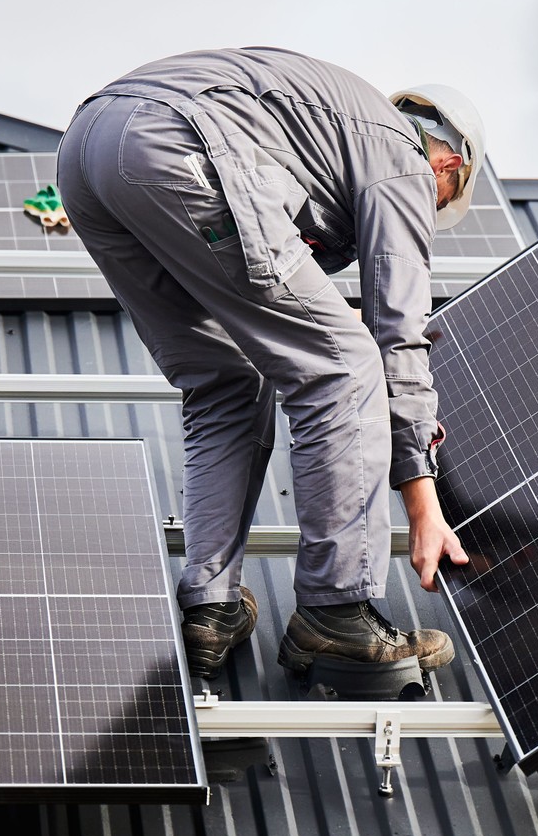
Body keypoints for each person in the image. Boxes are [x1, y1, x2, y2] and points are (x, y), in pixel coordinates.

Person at [55, 47, 477, 681]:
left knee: (224, 379)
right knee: (343, 363)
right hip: (179, 140)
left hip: (88, 149)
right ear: (449, 163)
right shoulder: (405, 158)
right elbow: (399, 332)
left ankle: (210, 603)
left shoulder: (327, 128)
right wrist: (422, 497)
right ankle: (336, 611)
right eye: (439, 202)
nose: (427, 214)